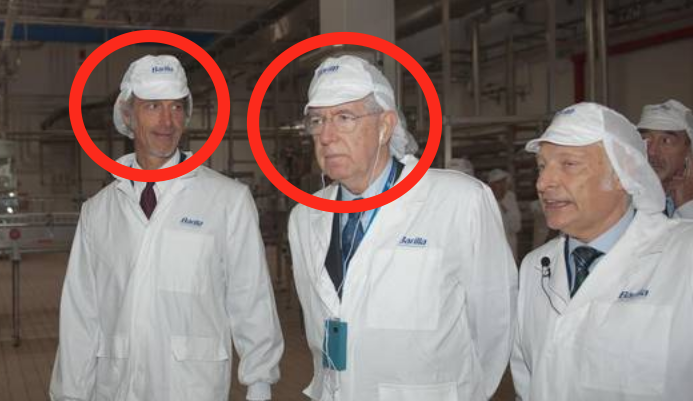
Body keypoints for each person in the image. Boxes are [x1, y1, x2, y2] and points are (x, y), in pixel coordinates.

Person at [50, 55, 283, 401]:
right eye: (153, 106)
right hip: (115, 386)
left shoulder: (227, 200)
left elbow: (251, 297)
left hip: (191, 386)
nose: (167, 120)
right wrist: (70, 393)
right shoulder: (98, 212)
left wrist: (259, 383)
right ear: (127, 116)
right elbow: (80, 313)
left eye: (176, 107)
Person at [288, 55, 517, 401]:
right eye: (317, 120)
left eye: (344, 117)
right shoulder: (305, 217)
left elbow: (495, 323)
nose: (326, 136)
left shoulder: (460, 201)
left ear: (385, 126)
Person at [511, 102, 693, 401]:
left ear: (624, 174)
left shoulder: (684, 256)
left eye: (569, 164)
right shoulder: (534, 267)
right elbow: (526, 383)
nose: (543, 183)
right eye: (542, 166)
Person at [637, 99, 693, 218]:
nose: (651, 151)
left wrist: (687, 207)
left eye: (665, 141)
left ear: (688, 151)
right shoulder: (621, 197)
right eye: (645, 139)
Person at [487, 168, 522, 258]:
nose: (501, 186)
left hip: (509, 247)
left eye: (503, 182)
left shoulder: (510, 198)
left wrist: (503, 205)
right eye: (497, 183)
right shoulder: (486, 198)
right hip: (492, 249)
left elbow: (516, 227)